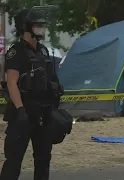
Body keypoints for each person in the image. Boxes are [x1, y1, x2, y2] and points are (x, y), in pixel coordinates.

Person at [0, 8, 64, 180]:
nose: (41, 29)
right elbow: (12, 83)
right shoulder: (17, 51)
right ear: (27, 27)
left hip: (43, 114)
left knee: (43, 161)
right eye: (37, 25)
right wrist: (20, 110)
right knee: (13, 161)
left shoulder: (44, 51)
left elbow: (52, 81)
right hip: (23, 114)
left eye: (42, 25)